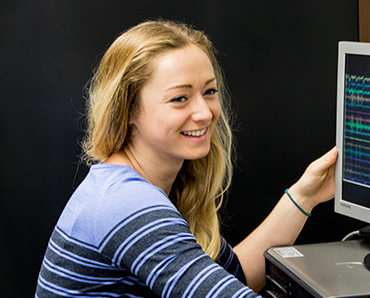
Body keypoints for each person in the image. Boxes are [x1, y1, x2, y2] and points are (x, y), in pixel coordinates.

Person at [35, 19, 338, 297]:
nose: (205, 113)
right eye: (180, 98)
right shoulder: (129, 206)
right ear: (128, 111)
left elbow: (231, 277)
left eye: (209, 91)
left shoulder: (137, 184)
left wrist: (304, 196)